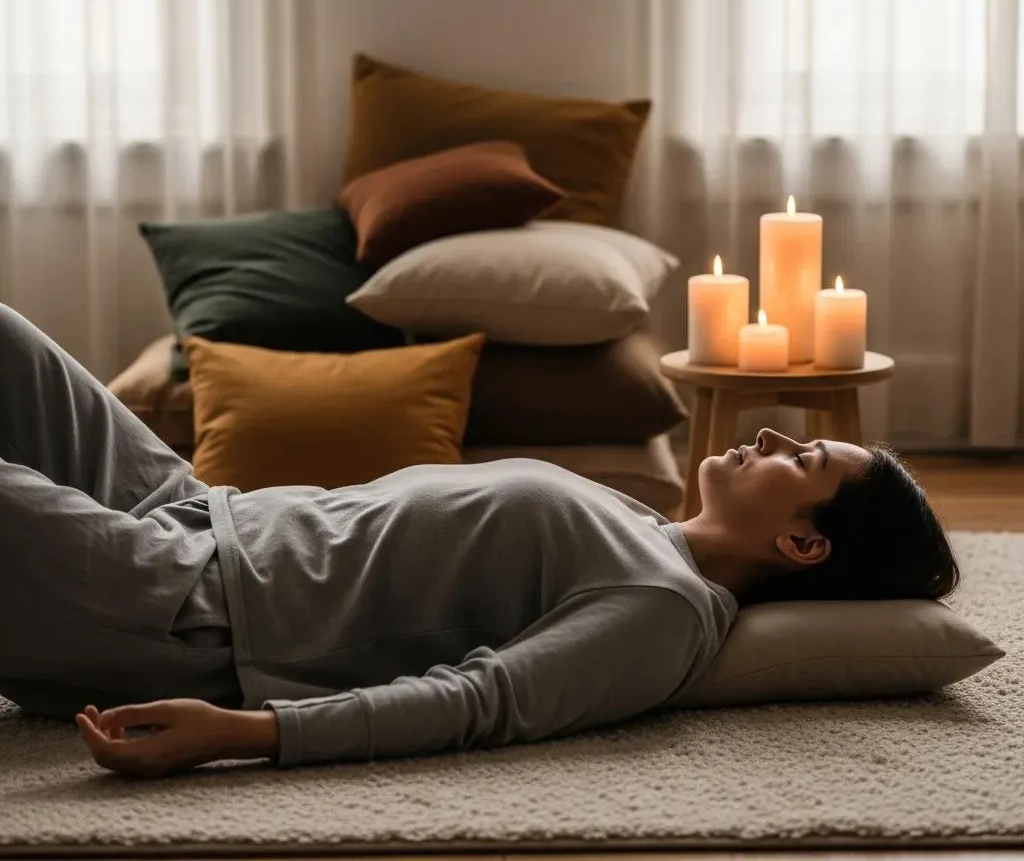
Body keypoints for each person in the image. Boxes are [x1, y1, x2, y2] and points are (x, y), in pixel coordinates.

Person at [0, 304, 960, 779]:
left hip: (189, 610)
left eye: (804, 458)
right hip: (203, 513)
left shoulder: (665, 609)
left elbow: (478, 703)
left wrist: (242, 733)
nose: (774, 435)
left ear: (803, 545)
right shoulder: (645, 528)